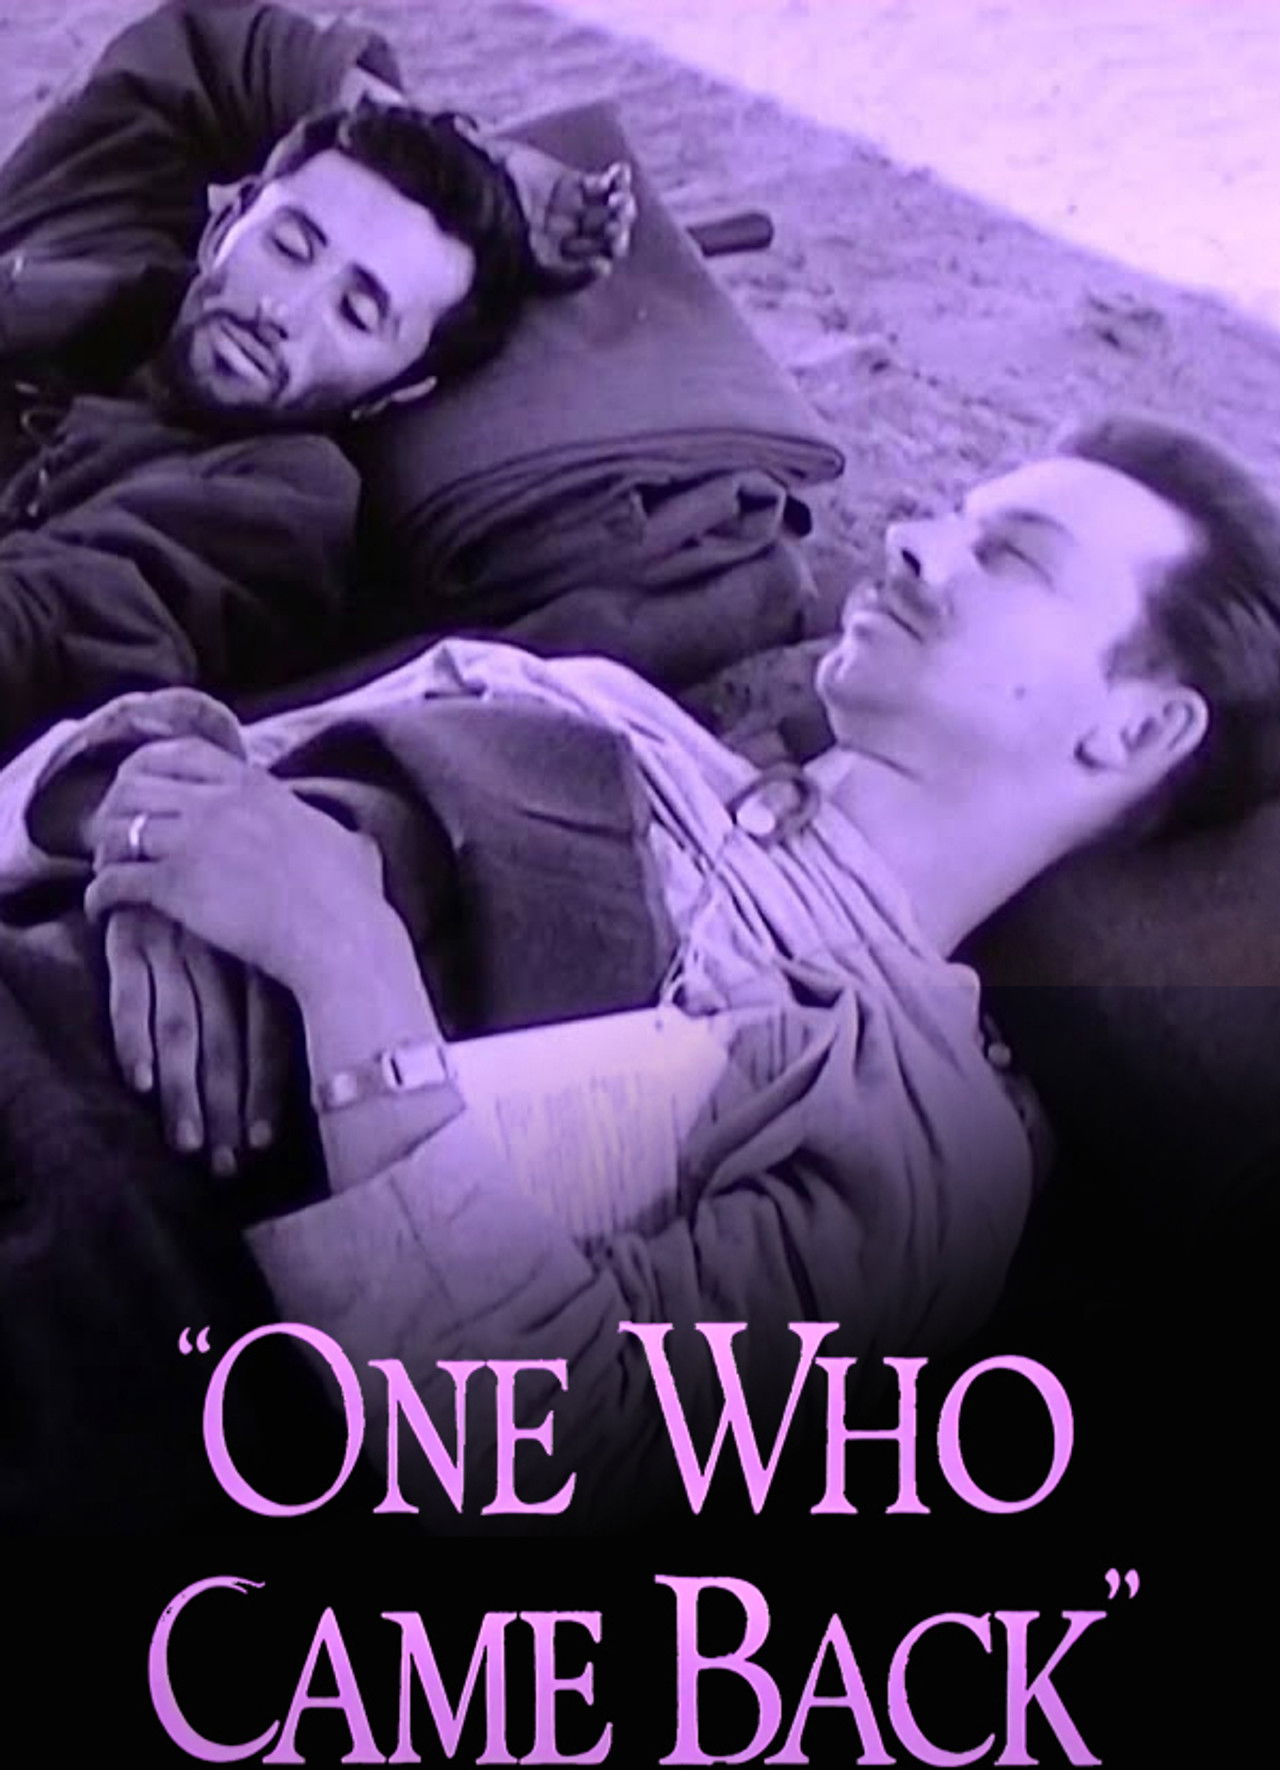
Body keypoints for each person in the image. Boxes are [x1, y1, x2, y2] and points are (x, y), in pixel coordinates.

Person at [34, 413, 1273, 1517]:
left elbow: (561, 1456)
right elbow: (88, 780)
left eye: (1011, 558)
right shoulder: (577, 700)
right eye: (949, 512)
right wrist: (143, 822)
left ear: (1138, 729)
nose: (910, 540)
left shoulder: (913, 1123)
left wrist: (341, 962)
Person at [0, 0, 632, 758]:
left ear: (401, 388)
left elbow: (42, 630)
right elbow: (211, 49)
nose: (281, 310)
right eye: (290, 246)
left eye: (357, 313)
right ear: (229, 219)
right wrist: (477, 149)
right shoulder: (93, 235)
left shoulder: (276, 502)